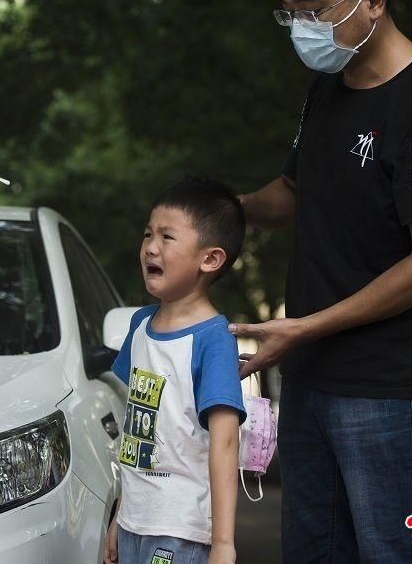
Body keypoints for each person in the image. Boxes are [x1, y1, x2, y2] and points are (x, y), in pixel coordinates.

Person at [229, 0, 412, 563]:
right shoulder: (328, 88)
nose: (301, 28)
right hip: (311, 382)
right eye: (288, 13)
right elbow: (295, 192)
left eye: (313, 9)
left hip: (390, 392)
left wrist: (302, 328)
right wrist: (222, 210)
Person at [104, 178, 247, 564]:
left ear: (210, 259)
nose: (150, 246)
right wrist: (120, 519)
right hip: (135, 523)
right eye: (148, 234)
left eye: (167, 237)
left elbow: (225, 443)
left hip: (182, 530)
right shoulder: (140, 325)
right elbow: (136, 431)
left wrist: (223, 544)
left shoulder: (214, 340)